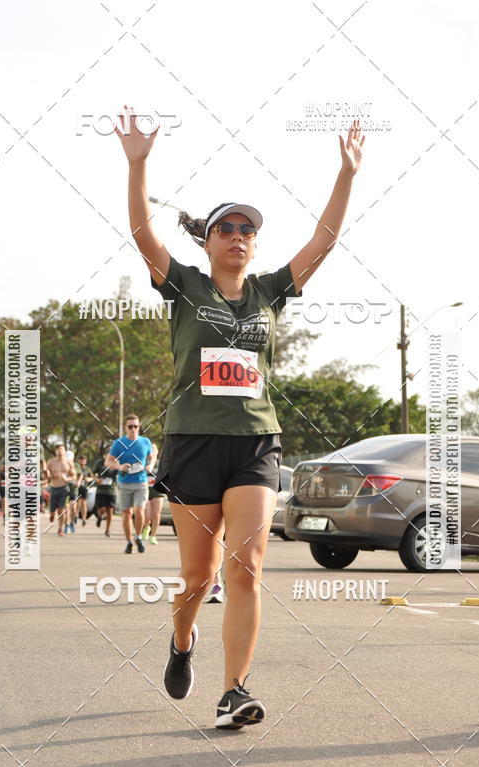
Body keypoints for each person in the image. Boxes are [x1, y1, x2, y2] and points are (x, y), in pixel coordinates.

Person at [116, 110, 364, 728]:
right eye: (225, 228)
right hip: (193, 444)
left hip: (255, 444)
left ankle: (235, 691)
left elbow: (324, 241)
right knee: (197, 578)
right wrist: (138, 164)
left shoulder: (270, 291)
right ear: (208, 241)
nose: (237, 236)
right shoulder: (186, 287)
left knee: (246, 567)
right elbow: (144, 233)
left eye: (246, 229)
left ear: (255, 243)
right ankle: (181, 641)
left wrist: (346, 174)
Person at [105, 415, 153, 554]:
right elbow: (108, 462)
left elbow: (152, 456)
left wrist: (151, 464)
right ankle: (128, 542)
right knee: (127, 513)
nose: (133, 429)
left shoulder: (145, 442)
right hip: (124, 482)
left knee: (139, 511)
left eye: (135, 426)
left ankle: (138, 537)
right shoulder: (119, 443)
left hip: (141, 482)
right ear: (125, 428)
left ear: (139, 427)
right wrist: (120, 467)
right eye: (130, 426)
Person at [44, 445, 76, 536]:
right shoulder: (51, 462)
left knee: (62, 510)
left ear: (64, 451)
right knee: (52, 511)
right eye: (58, 449)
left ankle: (60, 529)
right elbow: (46, 476)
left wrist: (67, 479)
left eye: (62, 449)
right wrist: (51, 476)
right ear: (55, 451)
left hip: (64, 488)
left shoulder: (69, 463)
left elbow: (73, 476)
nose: (60, 451)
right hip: (54, 488)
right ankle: (52, 514)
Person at [142, 442, 164, 545]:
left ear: (157, 451)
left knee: (156, 514)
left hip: (158, 491)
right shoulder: (144, 462)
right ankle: (146, 527)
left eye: (154, 448)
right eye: (151, 448)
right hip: (146, 490)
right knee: (147, 515)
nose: (152, 450)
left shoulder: (162, 463)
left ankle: (153, 536)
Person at [92, 446, 116, 537]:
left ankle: (107, 530)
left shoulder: (115, 463)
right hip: (101, 490)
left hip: (111, 490)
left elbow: (121, 473)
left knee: (110, 511)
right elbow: (93, 473)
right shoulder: (99, 463)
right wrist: (97, 479)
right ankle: (99, 517)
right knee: (102, 509)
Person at [75, 454, 94, 525]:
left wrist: (88, 479)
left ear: (86, 461)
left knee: (83, 503)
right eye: (81, 459)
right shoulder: (76, 468)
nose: (82, 461)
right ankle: (76, 516)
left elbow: (93, 477)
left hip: (84, 487)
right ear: (78, 460)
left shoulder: (88, 469)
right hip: (76, 487)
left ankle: (83, 519)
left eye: (84, 460)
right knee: (77, 502)